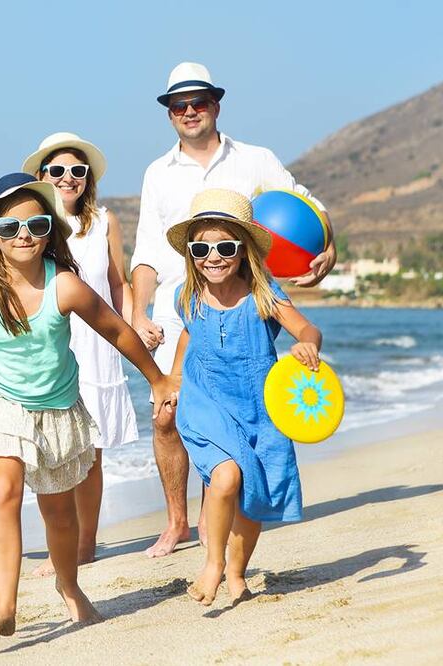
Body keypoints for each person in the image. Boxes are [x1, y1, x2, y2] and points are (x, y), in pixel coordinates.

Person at [0, 173, 176, 636]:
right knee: (4, 488)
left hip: (57, 407)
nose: (24, 235)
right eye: (10, 227)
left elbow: (117, 331)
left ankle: (69, 587)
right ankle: (5, 606)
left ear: (50, 231)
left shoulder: (65, 286)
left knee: (59, 513)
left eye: (35, 225)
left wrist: (157, 379)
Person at [131, 62, 336, 557]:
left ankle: (214, 514)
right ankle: (177, 521)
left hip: (244, 306)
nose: (190, 111)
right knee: (166, 418)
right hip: (180, 307)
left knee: (228, 411)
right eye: (179, 105)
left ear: (216, 105)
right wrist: (138, 312)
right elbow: (146, 250)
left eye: (199, 102)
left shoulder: (256, 159)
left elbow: (306, 206)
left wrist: (329, 246)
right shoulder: (157, 173)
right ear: (169, 114)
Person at [166, 188, 322, 605]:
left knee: (253, 494)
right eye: (202, 249)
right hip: (206, 404)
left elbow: (306, 328)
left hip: (260, 407)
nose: (213, 257)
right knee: (227, 477)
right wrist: (173, 379)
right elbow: (190, 335)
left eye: (225, 247)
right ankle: (213, 565)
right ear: (191, 254)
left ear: (243, 249)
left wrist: (307, 345)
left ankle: (236, 572)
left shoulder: (263, 294)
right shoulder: (186, 296)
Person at [22, 132, 139, 575]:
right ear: (42, 176)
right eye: (57, 170)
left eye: (77, 170)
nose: (68, 178)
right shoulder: (33, 224)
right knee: (52, 450)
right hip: (49, 345)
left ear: (88, 177)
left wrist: (135, 325)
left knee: (91, 453)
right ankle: (61, 544)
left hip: (97, 346)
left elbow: (117, 283)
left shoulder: (104, 221)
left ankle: (85, 544)